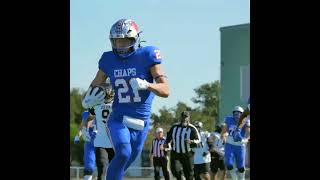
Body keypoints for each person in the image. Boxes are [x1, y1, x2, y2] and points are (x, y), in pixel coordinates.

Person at [81, 18, 170, 180]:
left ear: (134, 39)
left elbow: (166, 90)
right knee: (123, 152)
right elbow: (95, 84)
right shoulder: (108, 59)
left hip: (142, 123)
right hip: (118, 118)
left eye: (124, 41)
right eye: (116, 41)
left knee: (125, 161)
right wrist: (88, 99)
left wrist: (147, 85)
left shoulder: (147, 55)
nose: (120, 45)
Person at [87, 81, 115, 180]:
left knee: (106, 171)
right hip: (107, 142)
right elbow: (89, 117)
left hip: (110, 142)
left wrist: (85, 128)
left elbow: (89, 117)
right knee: (104, 171)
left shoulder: (96, 105)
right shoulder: (117, 106)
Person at [163, 111, 200, 180]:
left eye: (186, 117)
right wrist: (166, 143)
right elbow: (169, 136)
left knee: (189, 173)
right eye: (183, 117)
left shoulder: (192, 128)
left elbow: (198, 140)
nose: (184, 119)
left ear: (189, 118)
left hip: (187, 153)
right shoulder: (174, 127)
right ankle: (181, 178)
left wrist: (192, 141)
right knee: (174, 170)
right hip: (175, 152)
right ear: (181, 117)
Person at [221, 106, 250, 180]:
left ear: (242, 115)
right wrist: (224, 136)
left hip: (240, 145)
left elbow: (248, 134)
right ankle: (234, 178)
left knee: (241, 167)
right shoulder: (229, 119)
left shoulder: (245, 121)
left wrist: (245, 140)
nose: (236, 116)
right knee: (229, 164)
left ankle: (241, 178)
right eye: (235, 114)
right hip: (229, 144)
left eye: (238, 114)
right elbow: (224, 131)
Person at [74, 111, 96, 180]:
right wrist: (78, 136)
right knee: (89, 163)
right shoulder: (86, 114)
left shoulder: (101, 109)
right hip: (90, 141)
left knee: (103, 162)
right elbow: (82, 125)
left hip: (101, 140)